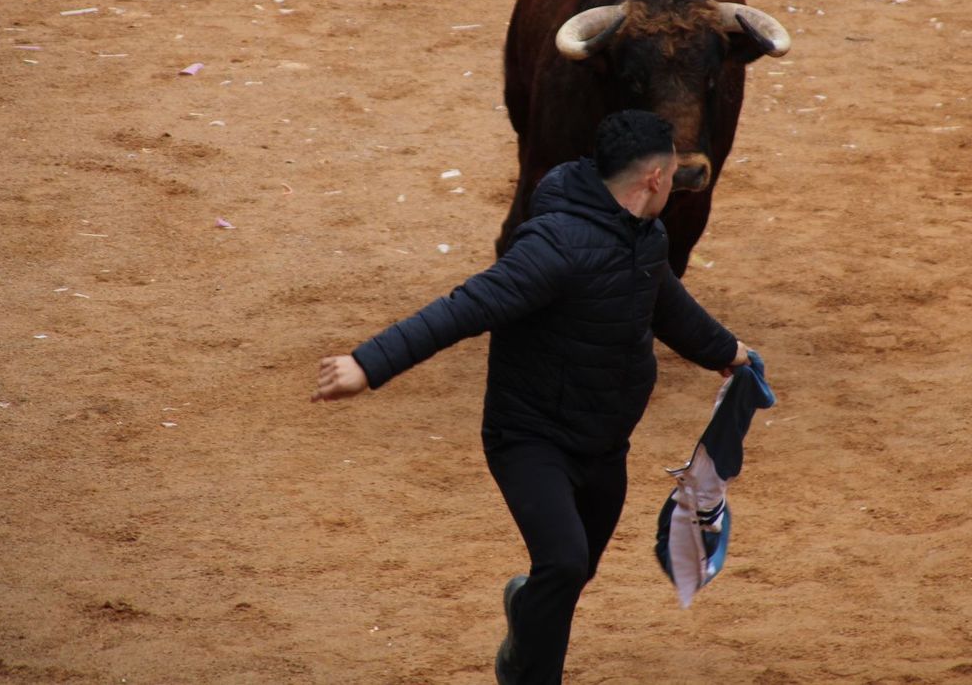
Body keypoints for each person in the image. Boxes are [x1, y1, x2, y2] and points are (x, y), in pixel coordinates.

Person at [311, 109, 751, 684]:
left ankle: (526, 610)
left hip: (604, 441)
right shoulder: (554, 246)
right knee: (564, 563)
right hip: (531, 437)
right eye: (672, 173)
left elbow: (668, 306)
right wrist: (368, 365)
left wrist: (729, 353)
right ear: (654, 179)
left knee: (571, 576)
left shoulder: (647, 236)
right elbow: (465, 307)